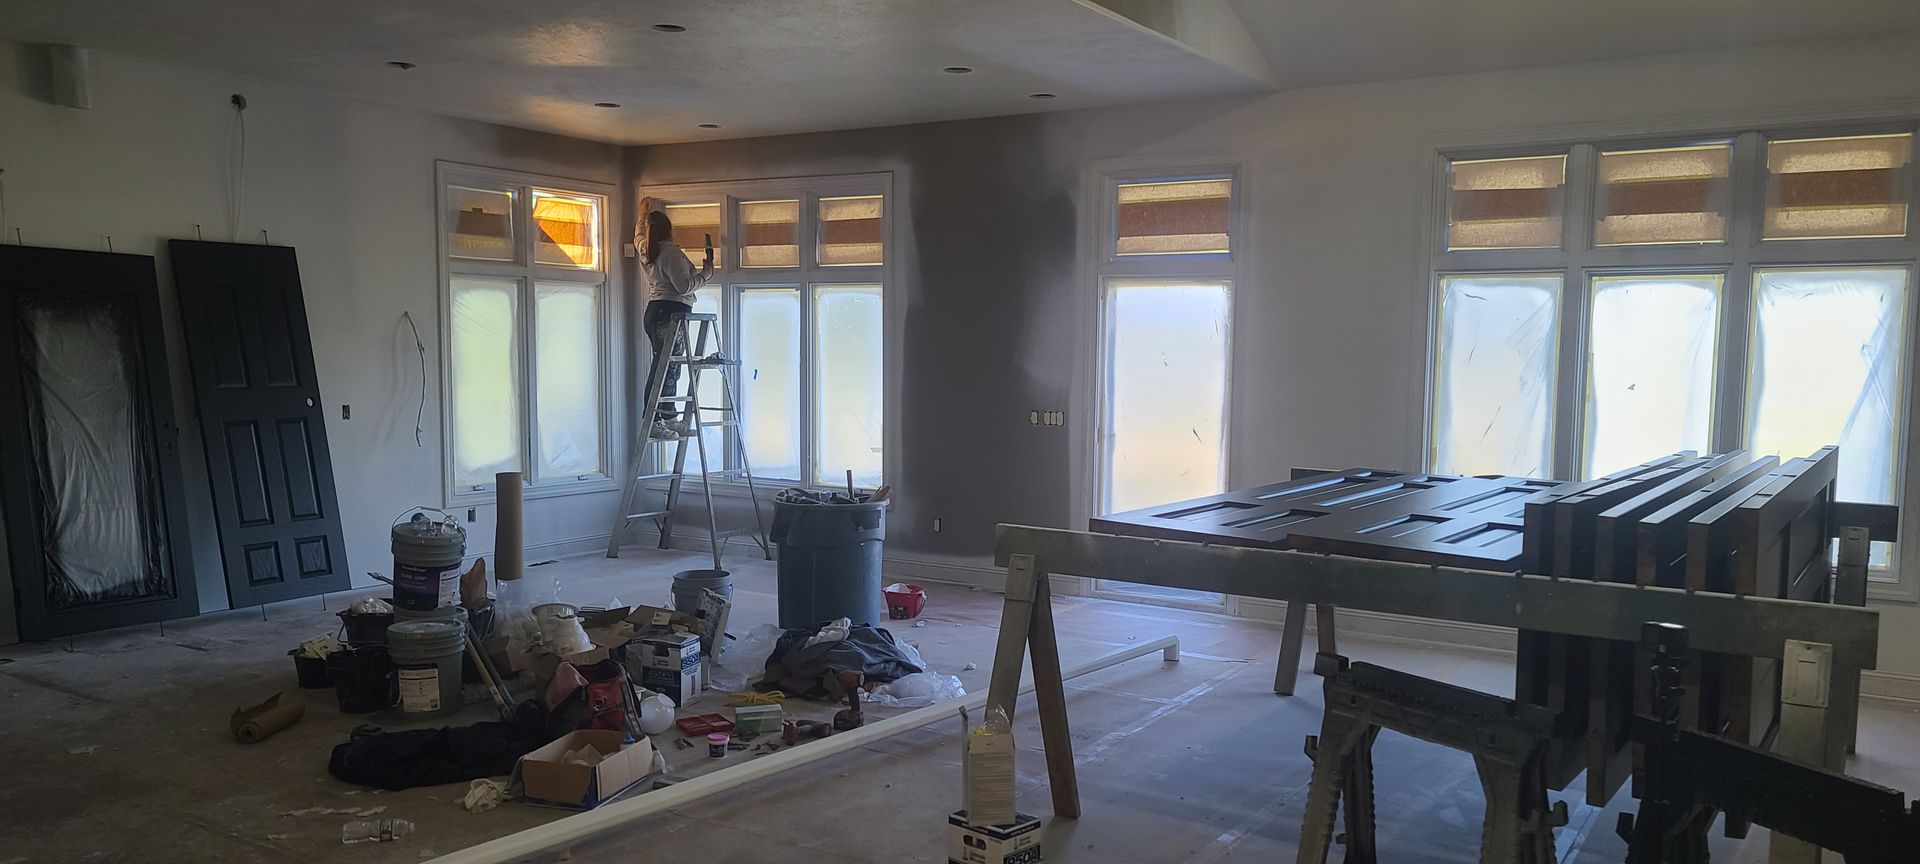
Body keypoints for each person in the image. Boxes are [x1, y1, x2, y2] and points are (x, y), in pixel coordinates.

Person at [636, 200, 714, 441]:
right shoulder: (670, 253)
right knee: (665, 368)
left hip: (657, 312)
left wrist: (642, 215)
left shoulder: (645, 247)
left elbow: (638, 233)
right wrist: (705, 275)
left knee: (667, 366)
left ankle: (667, 416)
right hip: (671, 313)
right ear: (668, 230)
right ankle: (653, 422)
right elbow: (683, 286)